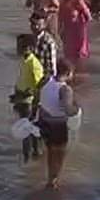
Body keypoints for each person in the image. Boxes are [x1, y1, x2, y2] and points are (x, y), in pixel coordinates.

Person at [38, 60, 80, 190]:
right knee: (60, 153)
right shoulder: (65, 89)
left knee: (51, 151)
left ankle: (50, 178)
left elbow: (39, 95)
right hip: (57, 125)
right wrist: (77, 109)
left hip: (44, 121)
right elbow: (68, 110)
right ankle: (54, 181)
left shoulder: (46, 80)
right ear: (68, 73)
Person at [58, 0, 93, 64]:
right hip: (67, 29)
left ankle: (80, 67)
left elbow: (88, 16)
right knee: (68, 51)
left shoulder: (78, 1)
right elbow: (60, 17)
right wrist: (59, 29)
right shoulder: (62, 2)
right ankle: (69, 67)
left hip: (78, 30)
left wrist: (83, 25)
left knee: (79, 52)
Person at [30, 14, 58, 80]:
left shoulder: (49, 42)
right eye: (33, 24)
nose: (36, 27)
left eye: (39, 25)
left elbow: (52, 66)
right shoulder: (28, 39)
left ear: (44, 25)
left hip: (43, 78)